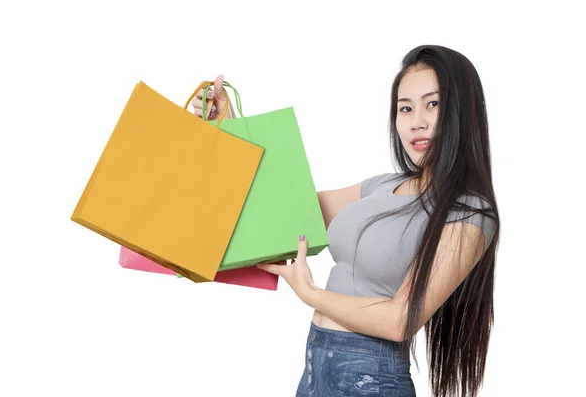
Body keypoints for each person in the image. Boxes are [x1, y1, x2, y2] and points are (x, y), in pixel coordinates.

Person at [192, 45, 500, 397]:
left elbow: (401, 319)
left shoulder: (469, 211)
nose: (417, 121)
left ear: (462, 111)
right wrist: (229, 126)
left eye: (433, 104)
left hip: (371, 380)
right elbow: (291, 209)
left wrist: (311, 293)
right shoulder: (383, 185)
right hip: (314, 368)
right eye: (405, 108)